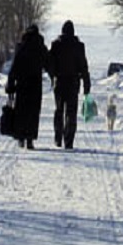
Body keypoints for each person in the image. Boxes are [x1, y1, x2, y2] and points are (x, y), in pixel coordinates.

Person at [47, 19, 91, 149]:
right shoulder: (79, 46)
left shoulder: (56, 45)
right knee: (71, 113)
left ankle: (58, 137)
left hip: (59, 83)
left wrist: (53, 76)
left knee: (59, 110)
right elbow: (83, 67)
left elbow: (50, 64)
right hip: (73, 83)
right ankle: (69, 140)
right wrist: (86, 85)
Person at [5, 24, 49, 149]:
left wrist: (10, 84)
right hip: (36, 85)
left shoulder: (21, 47)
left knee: (21, 111)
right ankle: (30, 139)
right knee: (33, 113)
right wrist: (54, 77)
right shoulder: (41, 47)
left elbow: (14, 67)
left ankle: (21, 137)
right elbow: (48, 63)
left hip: (22, 85)